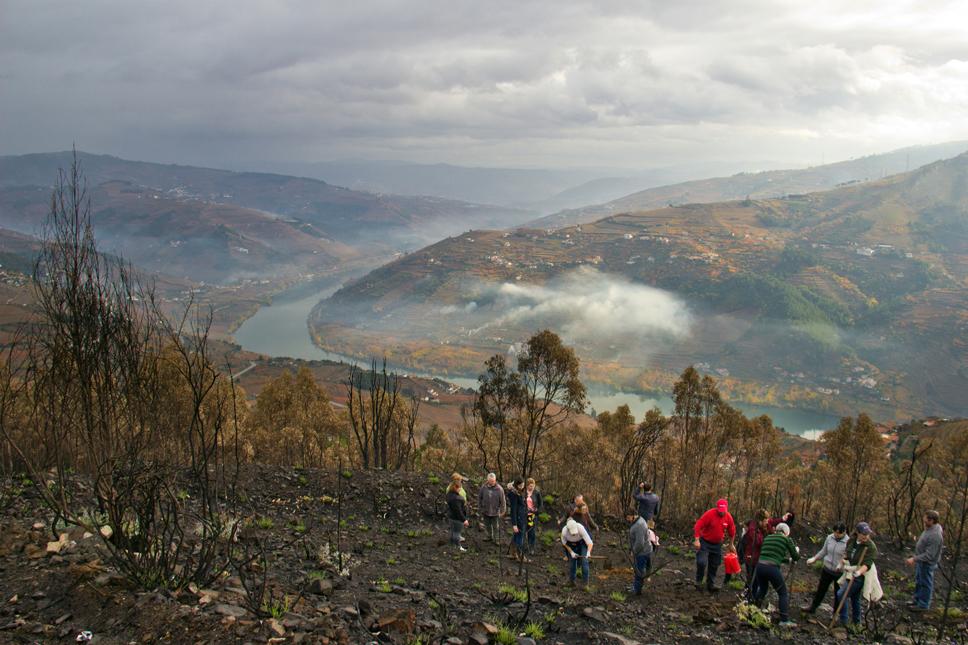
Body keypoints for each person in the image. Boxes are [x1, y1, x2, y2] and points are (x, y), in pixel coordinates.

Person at [750, 522, 800, 627]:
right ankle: (784, 620)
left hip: (760, 567)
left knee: (763, 589)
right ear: (786, 532)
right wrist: (796, 552)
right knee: (782, 593)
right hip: (772, 568)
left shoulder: (768, 537)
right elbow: (796, 557)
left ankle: (753, 611)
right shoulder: (786, 539)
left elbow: (773, 556)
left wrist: (787, 560)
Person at [835, 522, 877, 630]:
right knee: (855, 598)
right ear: (857, 533)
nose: (866, 536)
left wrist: (859, 572)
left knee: (841, 594)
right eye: (863, 534)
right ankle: (857, 622)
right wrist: (841, 563)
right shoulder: (851, 541)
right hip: (850, 571)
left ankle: (843, 620)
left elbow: (867, 564)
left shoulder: (870, 547)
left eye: (867, 534)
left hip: (861, 575)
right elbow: (846, 554)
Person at [738, 509, 794, 587]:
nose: (767, 522)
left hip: (759, 557)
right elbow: (760, 542)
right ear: (760, 521)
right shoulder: (752, 530)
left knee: (756, 580)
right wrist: (772, 538)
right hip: (752, 558)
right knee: (752, 579)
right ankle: (747, 594)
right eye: (765, 521)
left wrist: (782, 519)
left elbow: (771, 521)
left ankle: (752, 595)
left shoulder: (764, 524)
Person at [802, 522, 848, 614]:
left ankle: (835, 614)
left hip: (839, 572)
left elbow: (848, 556)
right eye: (835, 532)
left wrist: (842, 564)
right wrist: (814, 558)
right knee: (821, 590)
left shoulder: (848, 542)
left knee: (837, 593)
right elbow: (824, 551)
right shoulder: (830, 538)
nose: (836, 535)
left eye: (839, 533)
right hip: (827, 569)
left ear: (844, 532)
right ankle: (813, 607)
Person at [693, 498, 736, 592]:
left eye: (723, 511)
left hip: (717, 544)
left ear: (726, 509)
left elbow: (732, 531)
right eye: (720, 511)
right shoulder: (710, 514)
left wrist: (731, 544)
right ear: (717, 508)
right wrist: (697, 540)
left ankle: (710, 584)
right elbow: (698, 525)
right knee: (701, 562)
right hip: (705, 542)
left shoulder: (728, 517)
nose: (721, 513)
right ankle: (698, 581)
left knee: (715, 564)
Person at [906, 510, 943, 611]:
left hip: (927, 563)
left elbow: (929, 555)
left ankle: (923, 604)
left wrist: (914, 559)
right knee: (919, 581)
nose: (923, 520)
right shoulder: (929, 529)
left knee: (926, 583)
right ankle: (917, 599)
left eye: (926, 519)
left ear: (931, 520)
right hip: (921, 562)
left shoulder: (935, 535)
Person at [561, 508, 594, 585]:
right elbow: (564, 544)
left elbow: (590, 543)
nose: (574, 534)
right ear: (568, 529)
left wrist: (588, 552)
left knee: (584, 562)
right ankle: (571, 582)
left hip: (582, 544)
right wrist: (571, 552)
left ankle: (585, 584)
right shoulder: (564, 532)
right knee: (572, 563)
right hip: (571, 545)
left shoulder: (580, 528)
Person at [626, 508, 653, 595]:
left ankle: (637, 590)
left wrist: (633, 551)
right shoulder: (638, 521)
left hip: (642, 552)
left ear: (632, 515)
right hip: (643, 550)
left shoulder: (639, 525)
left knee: (639, 571)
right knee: (637, 570)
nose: (627, 519)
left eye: (628, 517)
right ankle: (635, 586)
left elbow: (640, 543)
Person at [477, 473, 506, 543]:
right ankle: (489, 536)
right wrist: (480, 507)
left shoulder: (499, 489)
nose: (492, 482)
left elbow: (503, 501)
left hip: (495, 511)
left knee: (496, 526)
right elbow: (479, 498)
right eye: (490, 481)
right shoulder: (483, 487)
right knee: (487, 525)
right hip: (485, 510)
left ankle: (496, 539)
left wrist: (503, 511)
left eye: (493, 481)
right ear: (487, 480)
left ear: (495, 480)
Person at [506, 479, 528, 561]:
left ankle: (513, 553)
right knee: (520, 537)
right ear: (517, 485)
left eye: (523, 485)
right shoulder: (514, 494)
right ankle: (520, 555)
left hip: (522, 517)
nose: (522, 487)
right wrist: (514, 524)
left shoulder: (519, 492)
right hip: (518, 519)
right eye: (521, 485)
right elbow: (513, 510)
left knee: (516, 536)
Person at [446, 478, 469, 552]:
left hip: (451, 516)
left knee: (453, 531)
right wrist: (464, 520)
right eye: (459, 488)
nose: (460, 489)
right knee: (457, 533)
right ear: (455, 487)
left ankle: (452, 545)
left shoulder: (449, 494)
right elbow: (459, 511)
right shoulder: (456, 499)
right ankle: (458, 547)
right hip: (457, 518)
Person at [525, 478, 543, 555]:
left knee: (532, 532)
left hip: (533, 515)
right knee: (524, 530)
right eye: (530, 486)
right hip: (524, 515)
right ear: (527, 485)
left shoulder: (536, 493)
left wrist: (537, 511)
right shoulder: (524, 492)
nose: (531, 487)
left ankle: (531, 547)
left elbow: (541, 504)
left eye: (532, 486)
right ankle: (523, 547)